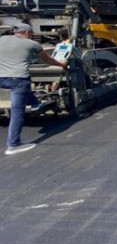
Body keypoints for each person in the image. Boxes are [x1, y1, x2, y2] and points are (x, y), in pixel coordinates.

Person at [0, 23, 67, 155]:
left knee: (23, 90)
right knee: (17, 112)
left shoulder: (2, 39)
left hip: (1, 79)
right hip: (19, 79)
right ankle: (13, 145)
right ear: (27, 33)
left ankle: (35, 103)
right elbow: (48, 60)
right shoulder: (32, 44)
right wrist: (61, 64)